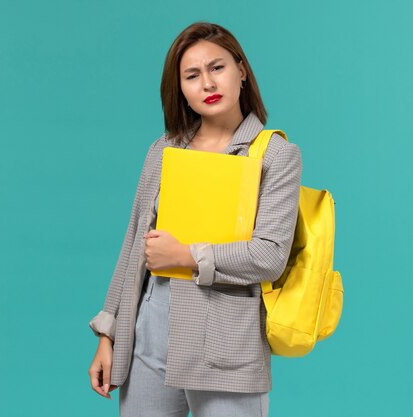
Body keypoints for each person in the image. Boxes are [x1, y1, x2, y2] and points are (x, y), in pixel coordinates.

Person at [88, 21, 302, 417]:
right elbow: (134, 243)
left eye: (217, 67)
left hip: (227, 346)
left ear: (241, 70)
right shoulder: (163, 150)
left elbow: (269, 255)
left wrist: (187, 256)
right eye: (192, 75)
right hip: (148, 340)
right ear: (181, 90)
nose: (207, 83)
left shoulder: (275, 155)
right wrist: (108, 333)